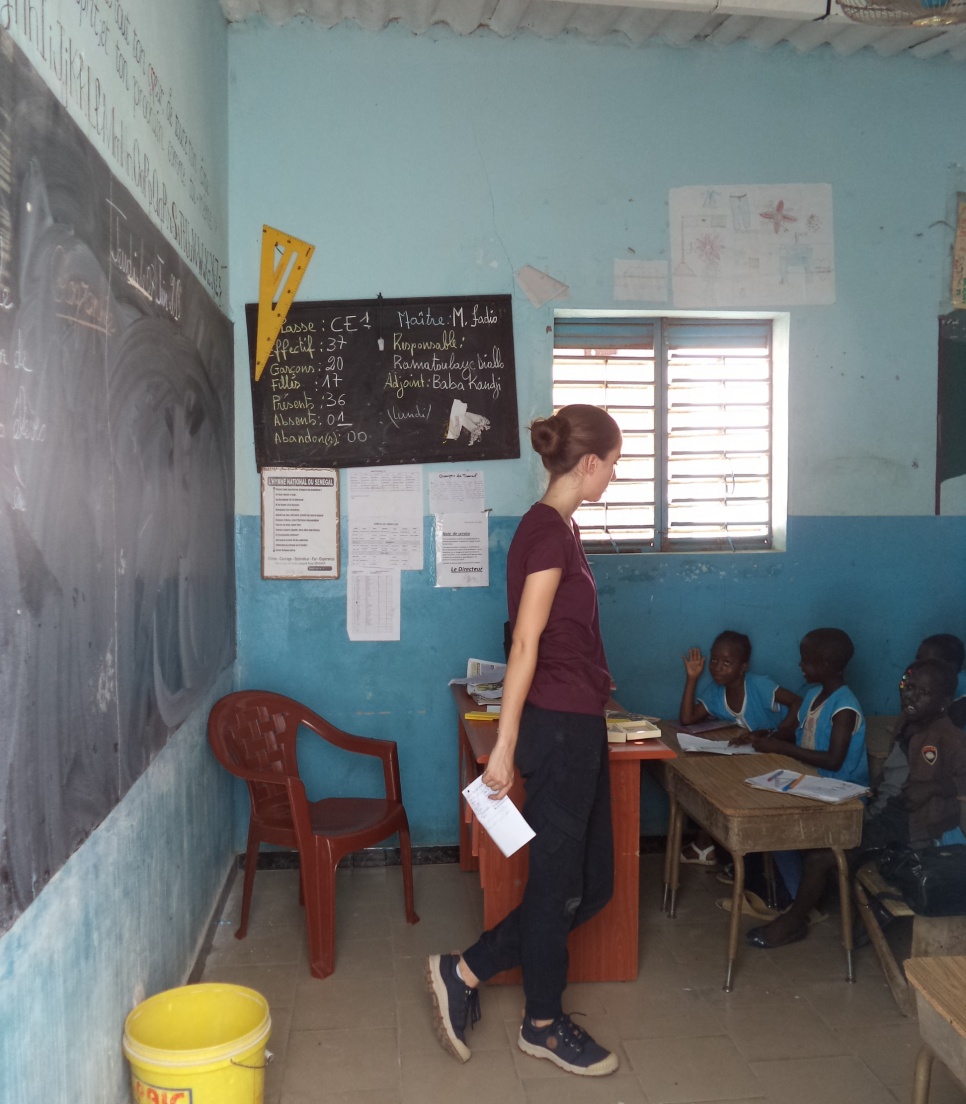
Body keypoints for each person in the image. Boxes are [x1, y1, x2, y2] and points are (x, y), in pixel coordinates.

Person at [426, 405, 622, 1077]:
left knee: (592, 886)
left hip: (578, 719)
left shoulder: (562, 530)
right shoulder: (545, 533)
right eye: (614, 464)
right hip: (557, 730)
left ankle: (466, 969)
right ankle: (541, 1022)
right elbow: (527, 643)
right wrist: (504, 747)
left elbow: (558, 637)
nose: (614, 477)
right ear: (588, 463)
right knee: (557, 886)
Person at [737, 627, 869, 948]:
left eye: (806, 661)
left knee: (777, 828)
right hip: (809, 784)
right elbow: (793, 733)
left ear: (825, 664)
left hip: (840, 796)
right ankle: (800, 894)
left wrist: (779, 749)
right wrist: (764, 737)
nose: (800, 666)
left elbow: (834, 759)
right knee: (769, 822)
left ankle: (800, 903)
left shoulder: (844, 708)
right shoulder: (813, 695)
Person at [678, 631, 801, 866]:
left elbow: (797, 702)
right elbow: (687, 718)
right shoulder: (716, 691)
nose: (717, 668)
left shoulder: (759, 685)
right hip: (754, 757)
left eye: (726, 663)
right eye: (714, 660)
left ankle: (710, 848)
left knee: (724, 783)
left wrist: (778, 734)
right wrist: (692, 677)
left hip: (782, 754)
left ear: (743, 666)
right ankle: (706, 845)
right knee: (711, 780)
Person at [914, 634, 966, 728]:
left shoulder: (961, 685)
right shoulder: (932, 681)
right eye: (918, 659)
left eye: (929, 662)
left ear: (952, 665)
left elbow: (952, 725)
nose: (919, 665)